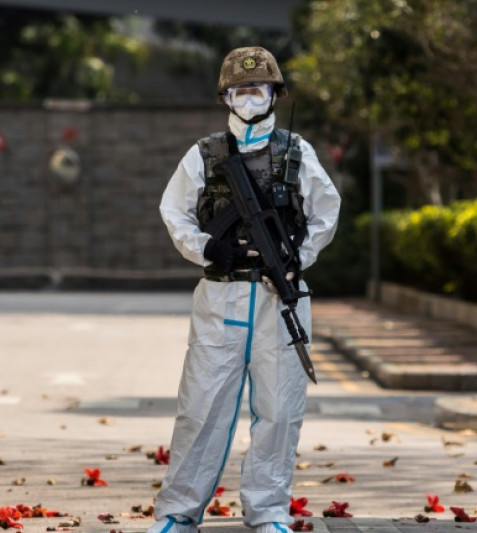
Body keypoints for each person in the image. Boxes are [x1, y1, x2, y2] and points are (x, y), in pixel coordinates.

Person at [151, 46, 341, 533]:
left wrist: (298, 258)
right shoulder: (205, 154)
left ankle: (269, 512)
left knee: (279, 411)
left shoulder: (297, 151)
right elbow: (174, 210)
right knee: (202, 408)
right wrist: (207, 249)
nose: (250, 97)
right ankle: (177, 513)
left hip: (280, 298)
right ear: (225, 97)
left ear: (275, 94)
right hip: (221, 296)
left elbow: (326, 208)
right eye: (240, 90)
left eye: (259, 89)